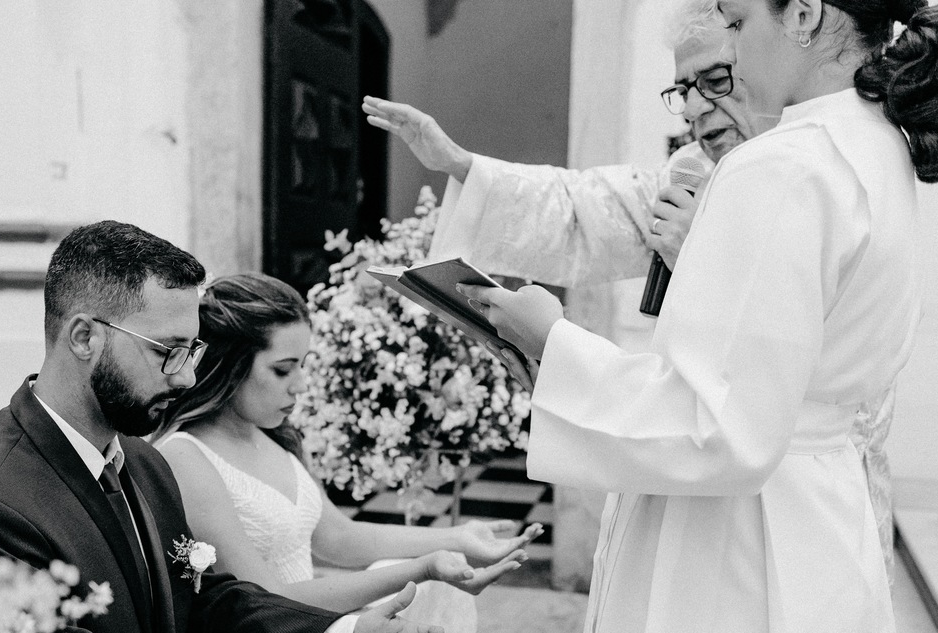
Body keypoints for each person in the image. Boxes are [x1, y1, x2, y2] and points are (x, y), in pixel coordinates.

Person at [453, 1, 938, 633]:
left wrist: (552, 339)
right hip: (819, 515)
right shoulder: (876, 149)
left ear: (801, 15)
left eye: (734, 15)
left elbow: (714, 422)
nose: (731, 36)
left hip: (735, 533)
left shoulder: (785, 164)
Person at [362, 0, 897, 560]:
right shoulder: (695, 171)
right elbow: (581, 211)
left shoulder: (812, 173)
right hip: (688, 480)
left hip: (789, 508)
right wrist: (461, 165)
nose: (693, 108)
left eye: (714, 79)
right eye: (682, 89)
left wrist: (706, 259)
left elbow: (774, 379)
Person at [0, 220, 446, 633]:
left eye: (191, 351)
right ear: (84, 337)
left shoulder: (143, 463)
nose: (186, 379)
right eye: (166, 351)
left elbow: (204, 601)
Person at [151, 273, 540, 633]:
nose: (298, 385)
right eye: (283, 369)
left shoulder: (279, 436)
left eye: (304, 366)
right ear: (231, 366)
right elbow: (268, 598)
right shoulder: (184, 455)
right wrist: (423, 567)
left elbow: (338, 538)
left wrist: (456, 537)